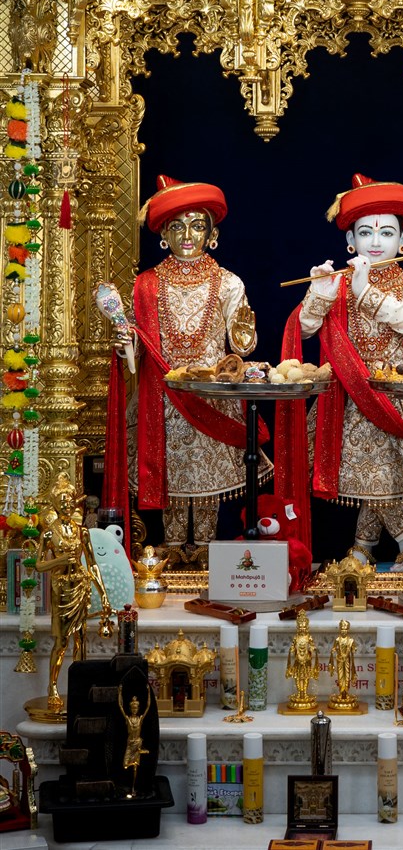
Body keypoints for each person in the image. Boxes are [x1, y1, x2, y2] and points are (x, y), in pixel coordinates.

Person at [278, 174, 403, 572]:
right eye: (366, 232)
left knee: (379, 473)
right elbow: (304, 329)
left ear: (402, 242)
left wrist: (365, 291)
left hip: (393, 394)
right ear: (350, 241)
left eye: (387, 233)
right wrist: (320, 293)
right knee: (371, 474)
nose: (376, 241)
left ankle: (378, 545)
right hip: (347, 393)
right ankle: (382, 543)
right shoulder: (335, 284)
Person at [105, 175, 272, 568]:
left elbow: (242, 348)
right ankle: (175, 543)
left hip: (210, 395)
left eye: (197, 226)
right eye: (176, 226)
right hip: (161, 396)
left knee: (205, 474)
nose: (187, 235)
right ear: (163, 234)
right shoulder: (145, 285)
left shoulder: (228, 283)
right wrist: (125, 341)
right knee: (170, 472)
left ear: (212, 234)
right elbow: (137, 348)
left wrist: (244, 331)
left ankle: (207, 546)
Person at [35, 472, 114, 713]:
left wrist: (104, 595)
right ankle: (53, 686)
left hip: (80, 585)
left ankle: (80, 686)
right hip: (61, 588)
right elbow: (39, 565)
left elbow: (93, 566)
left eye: (70, 501)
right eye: (63, 502)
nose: (67, 505)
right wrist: (58, 561)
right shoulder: (49, 533)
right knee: (61, 641)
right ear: (55, 505)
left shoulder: (82, 532)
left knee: (81, 639)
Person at [117, 690, 151, 797]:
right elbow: (120, 706)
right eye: (133, 708)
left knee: (136, 768)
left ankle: (133, 788)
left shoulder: (140, 719)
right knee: (125, 765)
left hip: (137, 743)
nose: (134, 710)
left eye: (136, 708)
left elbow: (148, 706)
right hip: (130, 745)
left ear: (138, 708)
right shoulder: (128, 719)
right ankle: (126, 784)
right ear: (130, 708)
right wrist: (120, 692)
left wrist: (148, 692)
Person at [286, 609, 319, 709]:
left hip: (306, 661)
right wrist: (292, 650)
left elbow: (312, 646)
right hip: (297, 661)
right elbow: (293, 647)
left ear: (307, 628)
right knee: (297, 677)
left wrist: (313, 649)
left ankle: (304, 692)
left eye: (304, 627)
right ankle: (299, 692)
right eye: (300, 627)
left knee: (306, 677)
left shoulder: (308, 637)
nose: (302, 629)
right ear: (298, 628)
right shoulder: (296, 638)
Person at [328, 619, 357, 704]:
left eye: (345, 629)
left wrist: (353, 649)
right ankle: (341, 692)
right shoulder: (337, 640)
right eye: (342, 629)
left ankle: (346, 692)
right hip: (340, 660)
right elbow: (334, 648)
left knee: (347, 677)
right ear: (340, 630)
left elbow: (354, 648)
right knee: (340, 677)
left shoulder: (350, 640)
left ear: (347, 630)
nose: (343, 631)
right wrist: (333, 650)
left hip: (347, 661)